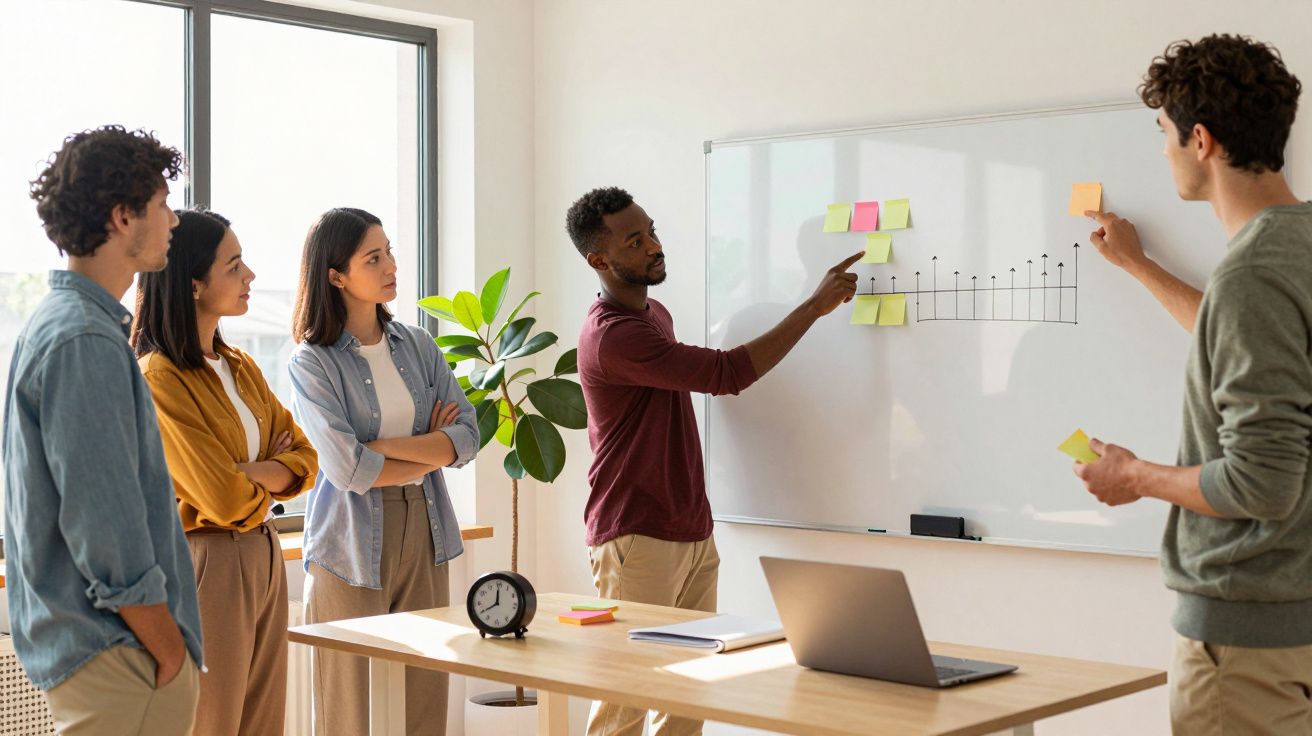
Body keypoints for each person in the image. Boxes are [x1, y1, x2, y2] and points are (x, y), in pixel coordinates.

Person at [1071, 34, 1312, 734]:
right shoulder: (1291, 253)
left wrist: (1134, 475)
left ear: (1200, 140)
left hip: (1246, 635)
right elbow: (1256, 343)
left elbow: (1262, 483)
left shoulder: (1251, 277)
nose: (1166, 151)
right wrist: (1142, 270)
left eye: (1165, 135)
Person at [566, 187, 861, 736]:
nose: (655, 245)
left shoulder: (655, 312)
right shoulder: (614, 336)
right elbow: (726, 374)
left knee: (688, 694)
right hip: (635, 536)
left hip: (691, 531)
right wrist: (814, 307)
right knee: (625, 700)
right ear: (600, 260)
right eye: (636, 240)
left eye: (652, 230)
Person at [2, 126, 202, 734]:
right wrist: (167, 648)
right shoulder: (83, 338)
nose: (172, 221)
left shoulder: (67, 325)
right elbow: (104, 522)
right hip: (123, 654)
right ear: (122, 217)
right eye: (162, 205)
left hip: (109, 652)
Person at [289, 207, 478, 736]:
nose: (391, 265)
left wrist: (381, 447)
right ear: (336, 275)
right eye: (374, 257)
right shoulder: (313, 362)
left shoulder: (417, 344)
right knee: (347, 708)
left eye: (390, 251)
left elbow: (466, 438)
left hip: (425, 526)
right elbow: (349, 470)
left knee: (423, 694)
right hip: (347, 541)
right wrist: (426, 448)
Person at [132, 208, 318, 735]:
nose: (250, 277)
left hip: (263, 551)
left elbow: (306, 457)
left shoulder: (240, 365)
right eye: (234, 266)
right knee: (212, 723)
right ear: (193, 284)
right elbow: (223, 497)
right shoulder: (158, 378)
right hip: (205, 559)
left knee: (264, 723)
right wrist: (266, 473)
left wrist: (251, 470)